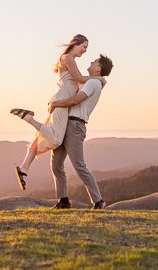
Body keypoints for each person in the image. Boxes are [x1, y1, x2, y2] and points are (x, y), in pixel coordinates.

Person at [10, 34, 93, 190]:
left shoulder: (67, 59)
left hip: (61, 100)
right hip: (62, 101)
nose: (85, 51)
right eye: (84, 47)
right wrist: (98, 78)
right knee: (55, 140)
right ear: (76, 43)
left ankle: (24, 169)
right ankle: (29, 119)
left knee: (42, 136)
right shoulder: (68, 58)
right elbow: (80, 79)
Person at [47, 54, 113, 210]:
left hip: (75, 126)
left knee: (79, 165)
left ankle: (98, 201)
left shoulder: (92, 83)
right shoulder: (92, 82)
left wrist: (56, 104)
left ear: (98, 69)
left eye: (94, 61)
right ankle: (64, 201)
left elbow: (76, 100)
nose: (91, 62)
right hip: (67, 123)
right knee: (56, 163)